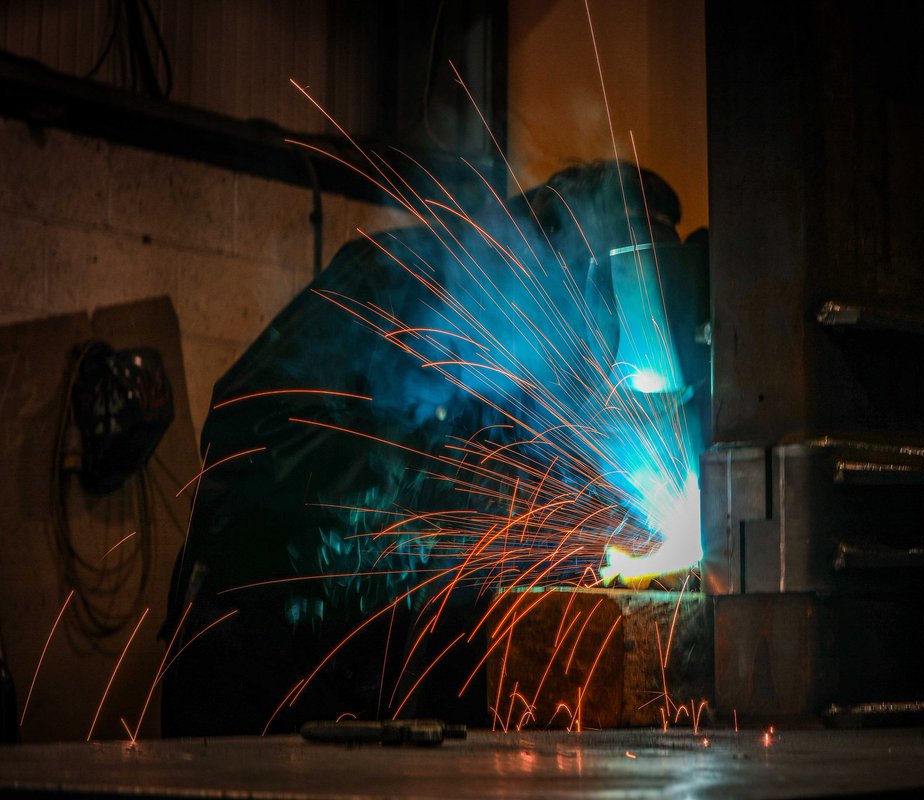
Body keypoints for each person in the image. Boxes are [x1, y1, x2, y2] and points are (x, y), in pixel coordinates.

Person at [161, 160, 688, 735]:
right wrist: (442, 492)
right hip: (262, 681)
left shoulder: (539, 361)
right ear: (557, 253)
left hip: (380, 706)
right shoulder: (395, 278)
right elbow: (250, 432)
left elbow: (527, 516)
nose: (592, 365)